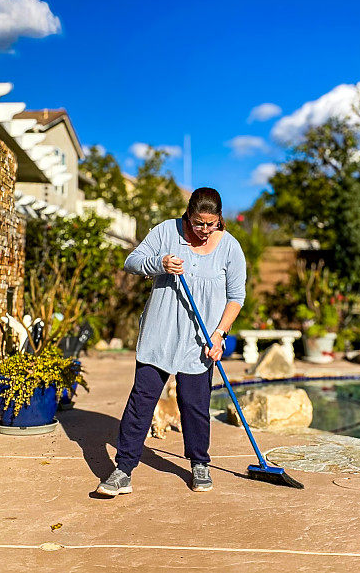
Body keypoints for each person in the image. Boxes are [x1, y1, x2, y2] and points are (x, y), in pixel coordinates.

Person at [96, 187, 246, 495]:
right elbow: (132, 261)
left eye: (211, 223)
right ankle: (123, 470)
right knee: (141, 402)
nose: (204, 230)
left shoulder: (230, 248)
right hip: (159, 335)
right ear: (188, 215)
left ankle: (199, 463)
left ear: (219, 219)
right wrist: (159, 264)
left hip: (200, 341)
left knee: (195, 406)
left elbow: (236, 297)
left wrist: (219, 335)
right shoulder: (167, 231)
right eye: (198, 223)